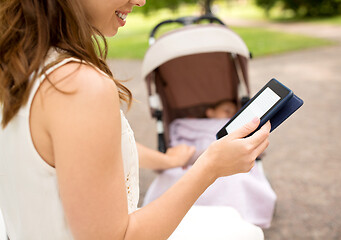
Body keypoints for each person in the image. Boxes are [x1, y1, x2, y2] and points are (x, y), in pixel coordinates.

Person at [0, 0, 271, 239]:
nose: (140, 1)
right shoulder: (79, 87)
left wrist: (167, 161)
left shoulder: (17, 64)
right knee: (242, 230)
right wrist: (209, 167)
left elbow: (82, 156)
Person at [143, 100, 276, 228]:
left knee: (235, 179)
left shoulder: (236, 127)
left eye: (235, 113)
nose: (231, 115)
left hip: (223, 160)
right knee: (173, 178)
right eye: (226, 111)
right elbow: (177, 146)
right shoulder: (186, 125)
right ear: (210, 112)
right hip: (189, 159)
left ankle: (234, 222)